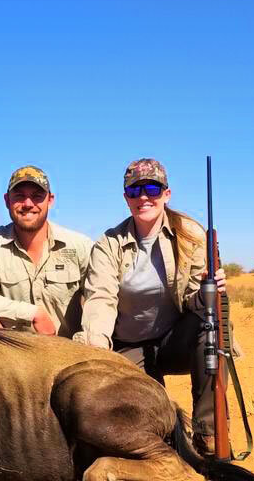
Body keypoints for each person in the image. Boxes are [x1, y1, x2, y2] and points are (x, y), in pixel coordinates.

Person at [75, 158, 239, 455]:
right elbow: (100, 298)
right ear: (126, 198)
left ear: (167, 193)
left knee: (212, 325)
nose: (144, 197)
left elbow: (193, 300)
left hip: (171, 341)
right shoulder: (108, 244)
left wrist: (208, 292)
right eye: (134, 191)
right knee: (140, 423)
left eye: (152, 187)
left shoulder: (190, 234)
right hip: (127, 348)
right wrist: (97, 351)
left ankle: (210, 432)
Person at [0, 165, 93, 337]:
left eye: (37, 196)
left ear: (50, 200)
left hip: (68, 352)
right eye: (19, 196)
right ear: (6, 200)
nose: (28, 204)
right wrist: (32, 314)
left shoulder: (80, 246)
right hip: (15, 354)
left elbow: (100, 299)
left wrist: (84, 345)